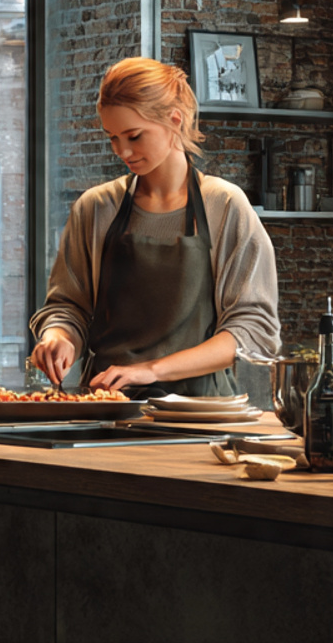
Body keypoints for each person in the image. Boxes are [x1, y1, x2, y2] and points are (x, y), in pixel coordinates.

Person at [30, 57, 281, 396]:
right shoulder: (95, 208)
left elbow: (253, 329)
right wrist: (58, 337)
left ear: (174, 120)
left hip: (199, 415)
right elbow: (68, 306)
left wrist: (150, 371)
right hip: (106, 408)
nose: (122, 151)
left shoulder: (224, 206)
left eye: (134, 135)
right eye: (113, 138)